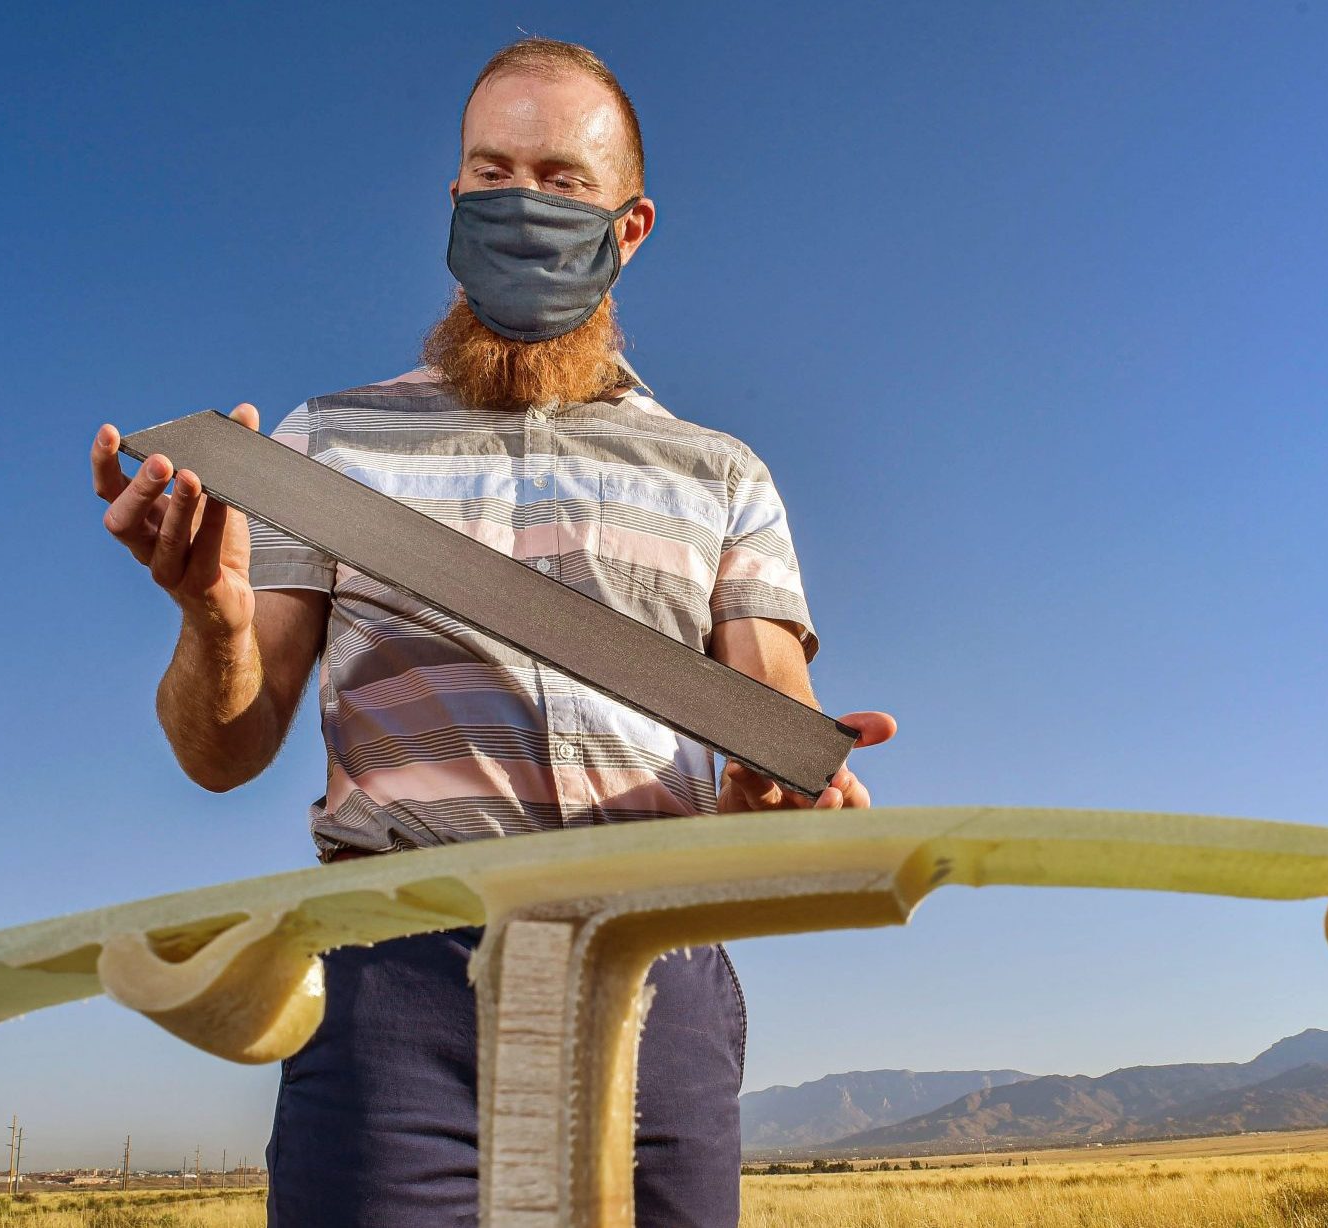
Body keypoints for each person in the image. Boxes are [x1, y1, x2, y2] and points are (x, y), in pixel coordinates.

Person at [86, 36, 895, 1228]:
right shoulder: (321, 449)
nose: (522, 202)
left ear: (630, 225)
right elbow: (220, 750)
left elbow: (766, 714)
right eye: (493, 170)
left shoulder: (723, 474)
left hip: (655, 972)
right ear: (454, 199)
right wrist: (212, 621)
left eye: (564, 179)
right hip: (393, 987)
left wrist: (778, 783)